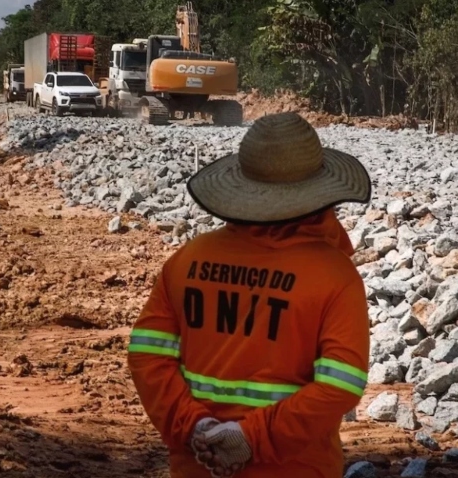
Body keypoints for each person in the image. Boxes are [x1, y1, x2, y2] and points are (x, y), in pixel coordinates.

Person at [127, 112, 373, 478]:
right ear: (322, 194)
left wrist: (194, 427)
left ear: (242, 189)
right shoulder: (336, 277)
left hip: (198, 464)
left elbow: (146, 355)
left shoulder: (188, 260)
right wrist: (249, 438)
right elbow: (340, 386)